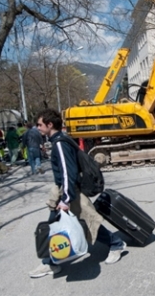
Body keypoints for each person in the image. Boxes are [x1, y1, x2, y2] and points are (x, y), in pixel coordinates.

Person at [29, 109, 126, 278]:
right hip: (65, 191)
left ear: (49, 125)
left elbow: (68, 172)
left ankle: (116, 243)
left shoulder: (60, 143)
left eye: (40, 124)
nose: (37, 128)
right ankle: (51, 262)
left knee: (86, 223)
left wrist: (66, 199)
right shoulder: (61, 140)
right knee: (60, 225)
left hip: (69, 192)